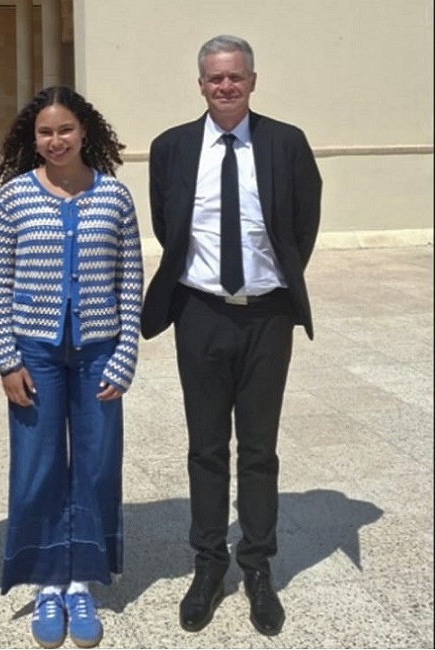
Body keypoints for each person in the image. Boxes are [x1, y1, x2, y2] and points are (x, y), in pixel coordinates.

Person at [141, 35, 321, 637]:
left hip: (267, 317)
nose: (225, 86)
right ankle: (208, 565)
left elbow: (303, 223)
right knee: (206, 447)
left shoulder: (286, 143)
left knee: (260, 450)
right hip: (201, 315)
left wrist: (276, 285)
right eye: (215, 78)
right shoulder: (171, 147)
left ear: (252, 80)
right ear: (200, 84)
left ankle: (258, 567)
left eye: (235, 77)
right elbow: (169, 227)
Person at [0, 86, 143, 649]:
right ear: (33, 138)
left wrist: (125, 355)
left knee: (98, 465)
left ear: (85, 133)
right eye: (45, 133)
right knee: (38, 463)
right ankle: (47, 580)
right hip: (36, 354)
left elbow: (131, 281)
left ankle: (82, 580)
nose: (56, 141)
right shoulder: (13, 199)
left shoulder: (114, 198)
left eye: (65, 130)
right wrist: (6, 358)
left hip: (100, 351)